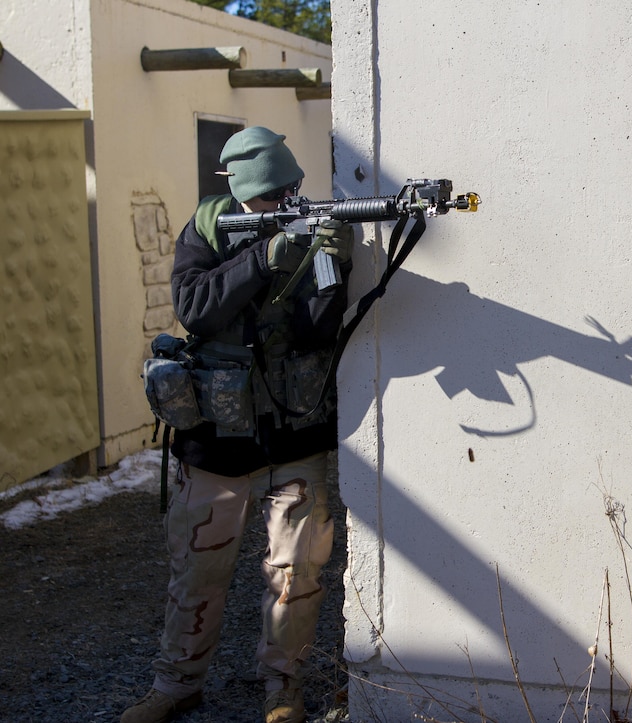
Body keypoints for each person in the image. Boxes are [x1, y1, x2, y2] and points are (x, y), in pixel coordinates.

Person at [123, 127, 354, 723]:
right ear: (242, 196)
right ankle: (176, 685)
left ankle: (283, 687)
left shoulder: (304, 227)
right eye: (271, 197)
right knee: (198, 569)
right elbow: (196, 307)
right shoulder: (205, 229)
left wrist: (334, 261)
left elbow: (316, 331)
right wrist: (263, 257)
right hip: (217, 438)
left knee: (296, 571)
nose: (285, 205)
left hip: (292, 433)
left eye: (292, 190)